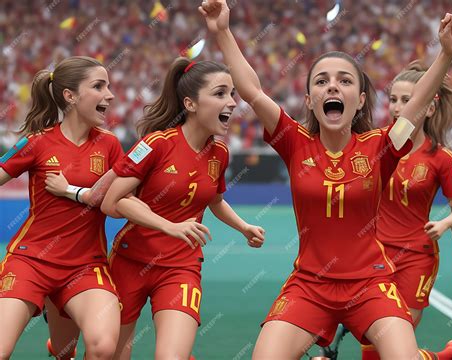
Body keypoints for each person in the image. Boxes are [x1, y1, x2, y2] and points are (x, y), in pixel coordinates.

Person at [200, 1, 452, 358]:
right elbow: (252, 92)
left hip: (371, 284)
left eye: (344, 81)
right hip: (309, 285)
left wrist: (445, 54)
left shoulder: (382, 146)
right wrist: (223, 32)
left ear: (360, 100)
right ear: (310, 100)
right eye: (322, 82)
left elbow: (416, 104)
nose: (333, 87)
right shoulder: (293, 141)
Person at [100, 57, 265, 360]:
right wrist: (169, 226)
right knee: (107, 353)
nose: (231, 102)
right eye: (220, 94)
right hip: (131, 260)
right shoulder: (156, 144)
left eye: (232, 94)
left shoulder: (220, 153)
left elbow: (214, 200)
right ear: (190, 104)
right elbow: (113, 202)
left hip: (181, 267)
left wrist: (243, 227)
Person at [0, 56, 122, 360]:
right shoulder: (36, 142)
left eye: (109, 85)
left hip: (85, 265)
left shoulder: (110, 146)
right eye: (99, 86)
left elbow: (114, 200)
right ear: (70, 96)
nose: (110, 94)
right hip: (31, 261)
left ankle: (60, 343)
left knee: (103, 347)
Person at [361, 61, 452, 360]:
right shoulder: (375, 145)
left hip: (418, 258)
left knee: (395, 339)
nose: (397, 107)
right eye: (394, 100)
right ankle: (441, 357)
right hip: (375, 255)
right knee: (375, 339)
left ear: (430, 107)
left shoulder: (442, 158)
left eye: (407, 101)